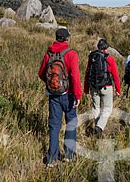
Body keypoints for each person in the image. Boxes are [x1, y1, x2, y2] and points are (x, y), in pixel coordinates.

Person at [38, 28, 82, 167]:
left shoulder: (48, 54)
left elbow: (41, 74)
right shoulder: (71, 54)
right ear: (67, 39)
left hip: (53, 96)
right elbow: (75, 76)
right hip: (68, 95)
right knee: (71, 124)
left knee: (54, 126)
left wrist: (52, 85)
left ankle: (52, 159)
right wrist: (78, 95)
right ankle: (69, 155)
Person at [84, 39, 121, 136]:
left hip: (93, 86)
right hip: (106, 86)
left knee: (96, 108)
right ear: (106, 47)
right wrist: (118, 89)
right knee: (107, 108)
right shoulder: (109, 58)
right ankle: (99, 127)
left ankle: (97, 129)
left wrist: (86, 88)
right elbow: (115, 75)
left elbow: (87, 73)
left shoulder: (91, 56)